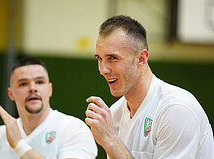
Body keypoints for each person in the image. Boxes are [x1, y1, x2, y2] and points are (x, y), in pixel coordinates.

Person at [85, 15, 214, 159]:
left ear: (141, 58)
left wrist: (110, 140)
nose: (103, 70)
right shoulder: (115, 113)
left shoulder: (176, 109)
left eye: (113, 58)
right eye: (99, 59)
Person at [0, 58, 97, 159]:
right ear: (11, 94)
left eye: (39, 82)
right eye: (23, 84)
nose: (32, 88)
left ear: (50, 89)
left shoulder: (72, 128)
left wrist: (18, 145)